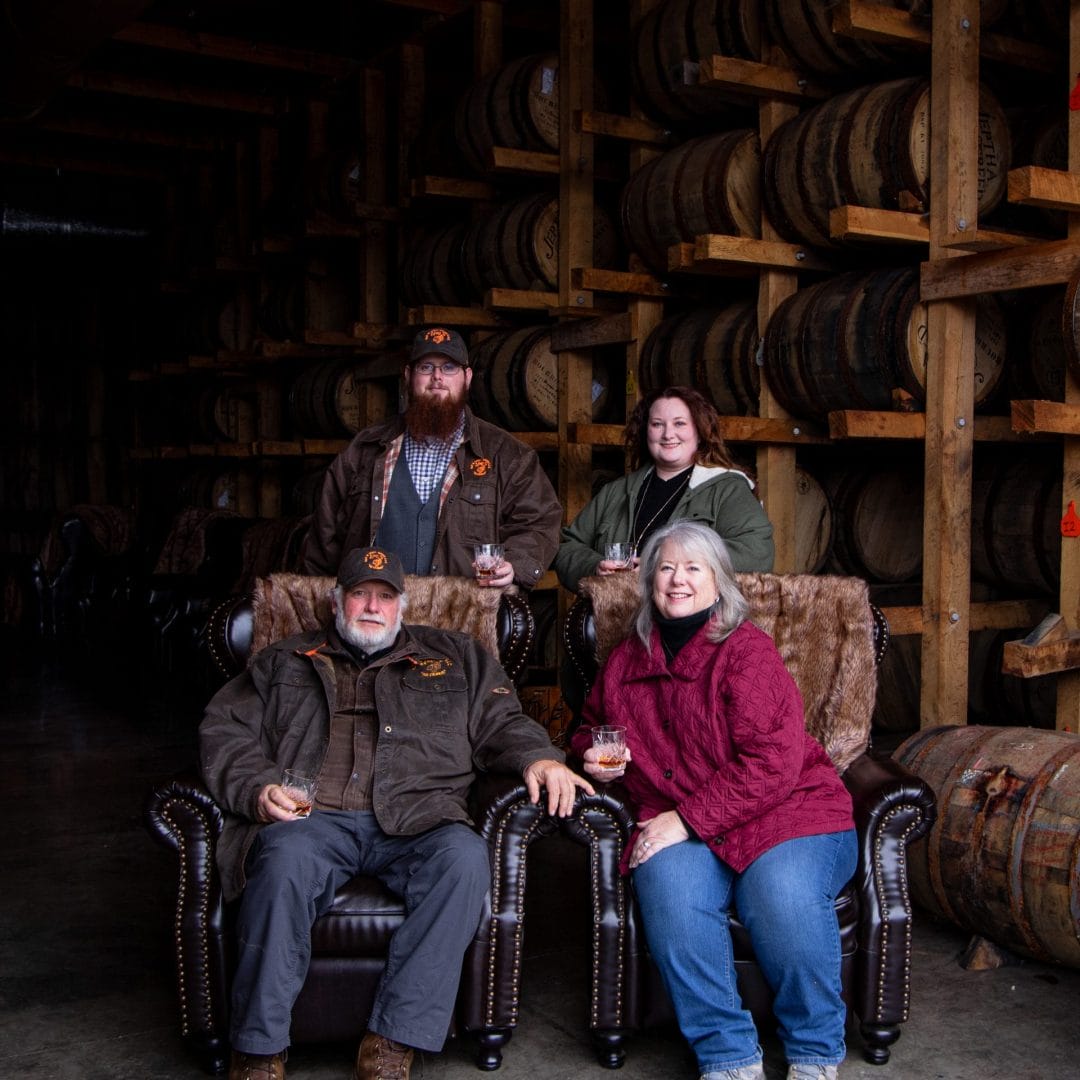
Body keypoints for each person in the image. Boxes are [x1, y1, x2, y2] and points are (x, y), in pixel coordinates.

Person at [200, 545, 593, 1080]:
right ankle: (258, 1049)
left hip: (419, 819)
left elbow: (505, 721)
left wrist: (541, 759)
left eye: (385, 597)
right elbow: (225, 733)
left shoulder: (455, 656)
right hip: (309, 818)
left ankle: (392, 1040)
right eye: (359, 593)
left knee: (463, 860)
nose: (371, 606)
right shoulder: (283, 660)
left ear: (403, 606)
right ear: (336, 601)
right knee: (282, 866)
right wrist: (257, 788)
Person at [571, 521, 856, 1080]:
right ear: (649, 579)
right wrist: (594, 754)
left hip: (788, 813)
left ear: (718, 583)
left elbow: (773, 763)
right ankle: (728, 1055)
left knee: (781, 896)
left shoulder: (747, 652)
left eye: (693, 568)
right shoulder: (628, 659)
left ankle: (815, 1051)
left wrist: (687, 818)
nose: (678, 579)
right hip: (678, 819)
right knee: (669, 890)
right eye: (666, 568)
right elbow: (589, 729)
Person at [301, 326, 562, 590]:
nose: (437, 377)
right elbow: (324, 539)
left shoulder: (506, 454)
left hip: (464, 616)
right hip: (377, 616)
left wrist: (515, 564)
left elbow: (539, 521)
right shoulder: (365, 450)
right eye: (426, 367)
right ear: (408, 375)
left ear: (467, 377)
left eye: (449, 367)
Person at [553, 386, 774, 594]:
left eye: (679, 424)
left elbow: (757, 553)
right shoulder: (618, 491)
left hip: (695, 625)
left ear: (699, 430)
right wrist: (594, 568)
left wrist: (669, 562)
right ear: (645, 431)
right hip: (617, 622)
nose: (668, 434)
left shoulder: (727, 489)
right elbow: (567, 547)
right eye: (657, 424)